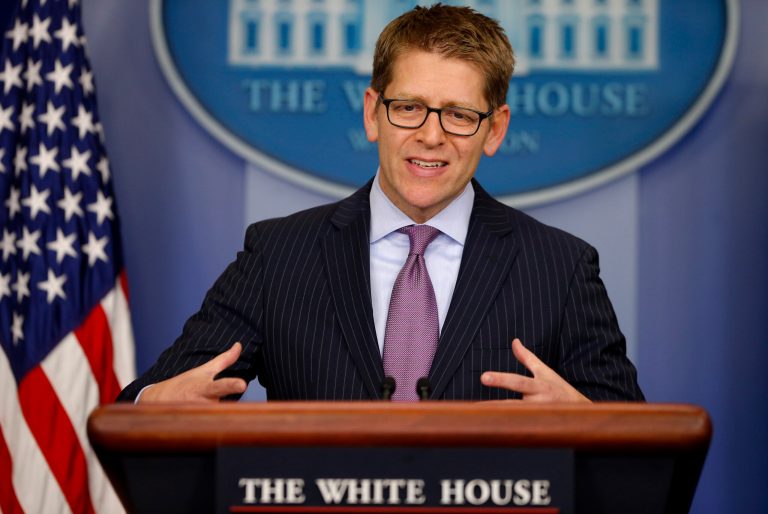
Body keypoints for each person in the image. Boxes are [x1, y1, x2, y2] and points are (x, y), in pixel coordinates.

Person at [119, 4, 643, 404]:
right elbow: (153, 399)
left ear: (495, 129)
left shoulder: (560, 267)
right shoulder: (278, 255)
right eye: (409, 107)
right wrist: (152, 403)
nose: (431, 136)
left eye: (459, 115)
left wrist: (585, 420)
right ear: (372, 113)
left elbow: (638, 453)